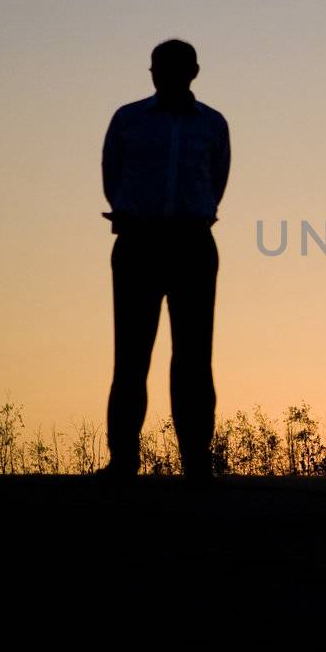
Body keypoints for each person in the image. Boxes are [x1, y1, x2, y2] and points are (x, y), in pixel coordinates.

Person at [98, 38, 231, 479]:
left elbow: (216, 180)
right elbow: (112, 176)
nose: (165, 75)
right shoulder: (128, 120)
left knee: (194, 358)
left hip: (192, 244)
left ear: (193, 72)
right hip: (138, 243)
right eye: (158, 67)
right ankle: (123, 460)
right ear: (151, 72)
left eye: (174, 68)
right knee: (131, 358)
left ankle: (195, 462)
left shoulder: (212, 124)